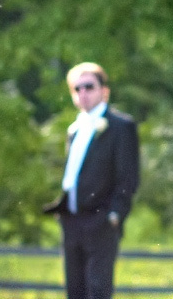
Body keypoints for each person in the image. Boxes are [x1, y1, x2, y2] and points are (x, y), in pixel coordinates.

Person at [43, 62, 140, 299]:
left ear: (103, 91)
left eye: (89, 87)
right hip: (72, 220)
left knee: (97, 290)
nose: (83, 93)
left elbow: (128, 177)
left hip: (101, 220)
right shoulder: (75, 128)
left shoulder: (120, 126)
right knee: (75, 290)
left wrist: (115, 215)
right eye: (77, 89)